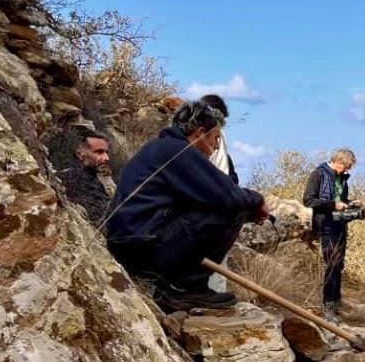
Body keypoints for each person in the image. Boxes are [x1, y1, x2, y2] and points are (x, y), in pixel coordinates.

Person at [106, 100, 268, 311]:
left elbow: (197, 202)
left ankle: (179, 287)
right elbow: (228, 196)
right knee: (231, 209)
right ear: (201, 132)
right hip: (142, 251)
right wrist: (258, 201)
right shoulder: (177, 151)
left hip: (133, 246)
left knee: (228, 206)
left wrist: (249, 211)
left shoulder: (162, 148)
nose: (217, 146)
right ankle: (183, 289)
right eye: (215, 138)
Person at [303, 148, 360, 315]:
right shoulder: (318, 174)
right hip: (325, 225)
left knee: (339, 265)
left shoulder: (342, 179)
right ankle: (327, 304)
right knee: (332, 263)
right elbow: (308, 200)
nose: (348, 170)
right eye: (347, 166)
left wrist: (350, 203)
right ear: (339, 161)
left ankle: (336, 302)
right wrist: (334, 205)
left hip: (340, 224)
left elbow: (340, 201)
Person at [198, 94, 239, 293]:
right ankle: (212, 301)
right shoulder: (215, 134)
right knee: (215, 262)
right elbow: (221, 172)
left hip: (210, 203)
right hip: (214, 205)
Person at [57, 127, 112, 228]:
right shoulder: (71, 178)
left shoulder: (93, 179)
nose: (106, 158)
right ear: (80, 154)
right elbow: (96, 217)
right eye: (99, 152)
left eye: (106, 152)